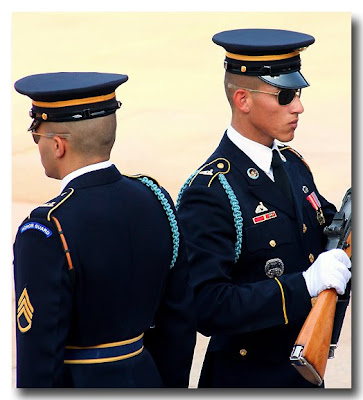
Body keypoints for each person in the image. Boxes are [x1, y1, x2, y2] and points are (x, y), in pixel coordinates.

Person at [176, 29, 351, 388]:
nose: (298, 106)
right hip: (245, 379)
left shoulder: (292, 164)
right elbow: (207, 306)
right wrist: (305, 285)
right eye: (284, 96)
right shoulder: (210, 191)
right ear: (243, 99)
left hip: (302, 376)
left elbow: (331, 231)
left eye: (297, 94)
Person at [13, 71, 196, 388]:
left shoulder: (45, 229)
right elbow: (178, 322)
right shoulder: (155, 199)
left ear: (58, 145)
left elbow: (39, 360)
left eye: (37, 138)